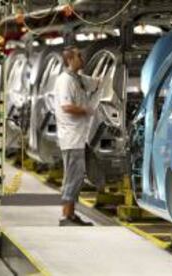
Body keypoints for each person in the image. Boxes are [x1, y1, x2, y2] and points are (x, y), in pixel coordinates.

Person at [54, 46, 97, 226]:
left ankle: (71, 214)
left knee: (77, 177)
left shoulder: (77, 78)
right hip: (71, 138)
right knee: (72, 177)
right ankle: (66, 216)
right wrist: (87, 110)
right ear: (70, 60)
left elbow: (96, 83)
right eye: (79, 55)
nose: (82, 57)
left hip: (79, 137)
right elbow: (67, 107)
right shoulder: (65, 81)